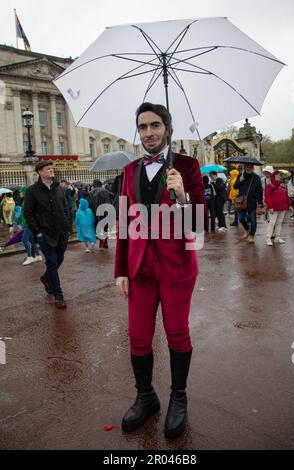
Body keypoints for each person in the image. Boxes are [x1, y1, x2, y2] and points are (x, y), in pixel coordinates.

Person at [114, 102, 205, 439]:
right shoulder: (130, 170)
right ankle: (146, 396)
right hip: (139, 266)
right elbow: (123, 221)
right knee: (138, 335)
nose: (148, 133)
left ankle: (178, 398)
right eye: (142, 127)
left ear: (167, 126)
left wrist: (183, 195)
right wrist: (120, 268)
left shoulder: (188, 166)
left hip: (177, 264)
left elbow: (198, 224)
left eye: (154, 125)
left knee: (176, 332)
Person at [24, 161, 71, 309]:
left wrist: (68, 226)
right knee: (51, 262)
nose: (51, 170)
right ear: (39, 173)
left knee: (59, 259)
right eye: (47, 169)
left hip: (61, 232)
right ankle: (58, 295)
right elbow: (28, 213)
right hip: (45, 234)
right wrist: (37, 232)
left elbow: (65, 208)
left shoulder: (59, 189)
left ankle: (45, 277)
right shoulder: (32, 191)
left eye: (52, 168)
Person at [234, 163, 263, 243]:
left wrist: (260, 202)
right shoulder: (240, 176)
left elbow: (260, 190)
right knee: (241, 218)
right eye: (247, 167)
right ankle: (247, 229)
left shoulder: (256, 177)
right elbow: (235, 187)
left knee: (253, 220)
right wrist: (240, 180)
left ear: (253, 168)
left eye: (250, 167)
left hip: (252, 202)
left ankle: (251, 235)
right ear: (244, 167)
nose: (248, 168)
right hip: (241, 202)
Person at [265, 171, 293, 246]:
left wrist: (289, 205)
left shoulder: (283, 185)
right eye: (277, 175)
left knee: (279, 223)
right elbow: (267, 197)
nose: (279, 176)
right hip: (273, 208)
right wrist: (270, 207)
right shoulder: (269, 186)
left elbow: (286, 196)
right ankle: (268, 238)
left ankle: (277, 237)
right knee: (272, 223)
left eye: (279, 175)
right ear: (273, 176)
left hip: (282, 207)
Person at [18, 186, 43, 265]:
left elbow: (28, 214)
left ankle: (30, 257)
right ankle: (38, 255)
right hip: (28, 224)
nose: (20, 193)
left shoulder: (27, 202)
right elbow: (22, 214)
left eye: (21, 192)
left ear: (25, 192)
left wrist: (23, 223)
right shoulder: (25, 201)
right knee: (32, 241)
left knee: (24, 240)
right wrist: (18, 221)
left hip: (28, 225)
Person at [88, 179, 112, 248]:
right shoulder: (105, 191)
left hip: (95, 212)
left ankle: (101, 241)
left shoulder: (91, 192)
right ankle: (105, 241)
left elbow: (89, 204)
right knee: (105, 227)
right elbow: (110, 200)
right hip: (104, 212)